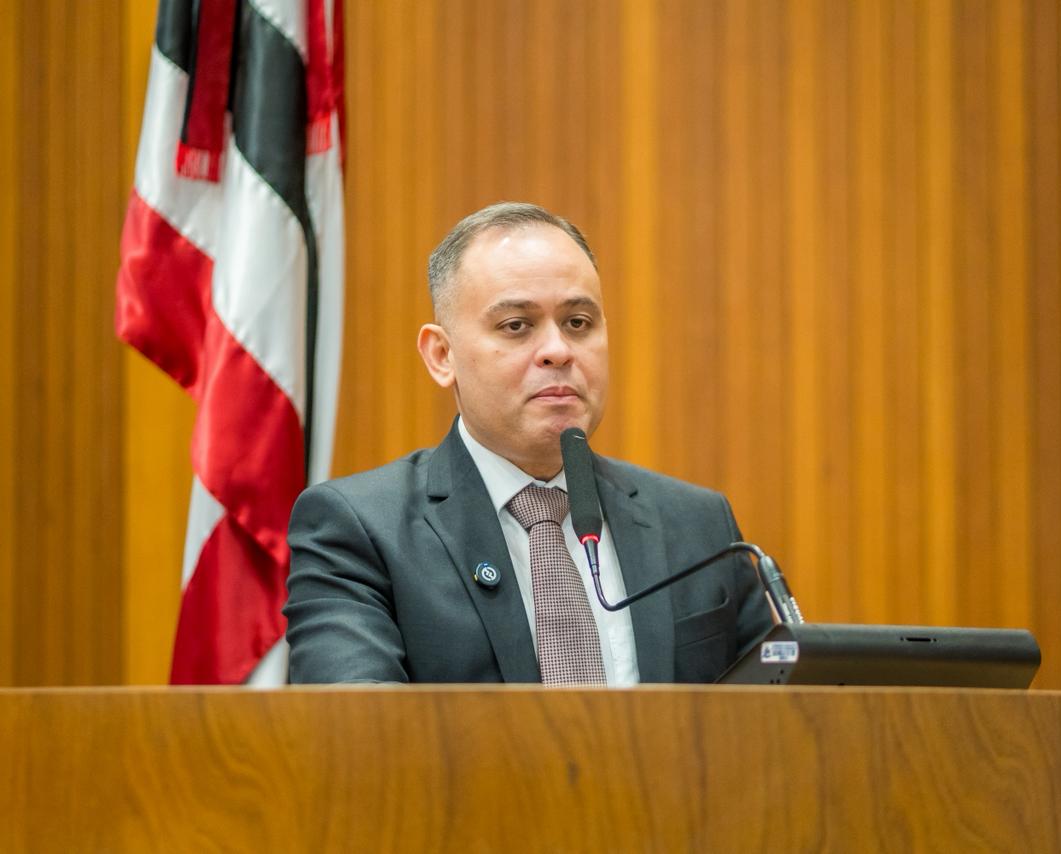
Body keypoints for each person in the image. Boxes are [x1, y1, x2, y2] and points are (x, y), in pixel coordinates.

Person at [284, 202, 772, 684]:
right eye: (516, 325)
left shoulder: (699, 526)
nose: (558, 350)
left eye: (578, 323)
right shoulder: (358, 530)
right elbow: (358, 726)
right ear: (442, 355)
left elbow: (777, 715)